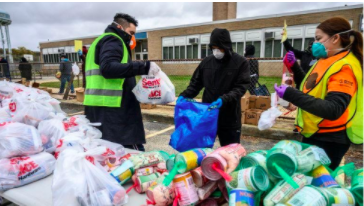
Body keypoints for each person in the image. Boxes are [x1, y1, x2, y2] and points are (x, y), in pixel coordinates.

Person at [275, 17, 363, 170]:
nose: (315, 43)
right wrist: (294, 67)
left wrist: (291, 94)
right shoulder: (326, 59)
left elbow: (333, 109)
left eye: (318, 38)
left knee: (317, 186)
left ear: (335, 38)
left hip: (330, 139)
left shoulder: (344, 67)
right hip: (316, 132)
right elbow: (309, 87)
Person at [84, 13, 161, 151]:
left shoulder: (99, 41)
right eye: (131, 33)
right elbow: (108, 68)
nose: (133, 38)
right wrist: (144, 66)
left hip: (97, 106)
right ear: (119, 27)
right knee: (133, 155)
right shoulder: (113, 40)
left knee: (108, 154)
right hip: (115, 111)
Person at [178, 28, 250, 146]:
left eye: (219, 48)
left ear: (227, 46)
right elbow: (196, 83)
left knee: (229, 151)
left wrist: (224, 99)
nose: (216, 51)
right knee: (202, 150)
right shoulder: (207, 62)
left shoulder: (240, 62)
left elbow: (241, 87)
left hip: (229, 116)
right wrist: (185, 95)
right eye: (213, 48)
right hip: (208, 113)